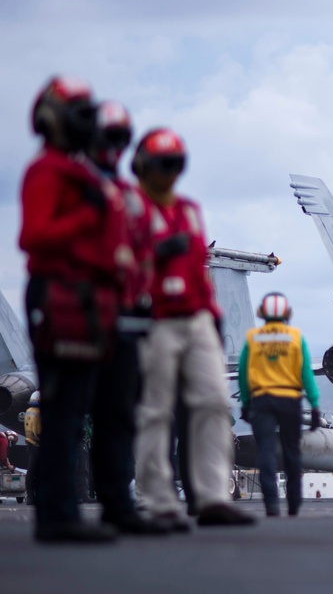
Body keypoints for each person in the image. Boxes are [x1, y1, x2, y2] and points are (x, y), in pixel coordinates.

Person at [20, 75, 133, 543]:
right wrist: (90, 213)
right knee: (65, 407)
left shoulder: (88, 176)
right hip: (61, 297)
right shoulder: (50, 172)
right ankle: (58, 516)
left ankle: (113, 506)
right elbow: (34, 237)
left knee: (105, 405)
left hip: (94, 302)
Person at [132, 128, 254, 529]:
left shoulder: (188, 209)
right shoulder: (129, 210)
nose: (168, 172)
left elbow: (199, 269)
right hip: (156, 318)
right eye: (161, 164)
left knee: (214, 406)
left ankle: (212, 497)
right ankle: (158, 500)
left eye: (175, 165)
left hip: (197, 318)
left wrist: (213, 318)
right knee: (156, 411)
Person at [84, 101, 168, 534]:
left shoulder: (129, 198)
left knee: (118, 415)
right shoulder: (68, 184)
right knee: (71, 416)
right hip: (80, 317)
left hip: (127, 321)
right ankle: (64, 511)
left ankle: (119, 503)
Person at [238, 292, 321, 517]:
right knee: (292, 450)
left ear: (262, 313)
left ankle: (271, 503)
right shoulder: (295, 337)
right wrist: (314, 405)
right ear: (287, 314)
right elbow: (306, 374)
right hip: (289, 400)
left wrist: (246, 403)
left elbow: (243, 373)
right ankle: (294, 503)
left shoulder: (253, 338)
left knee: (265, 449)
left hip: (262, 400)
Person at [24, 391, 40, 505]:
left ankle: (30, 497)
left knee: (31, 471)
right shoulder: (39, 412)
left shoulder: (28, 411)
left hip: (30, 443)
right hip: (38, 444)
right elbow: (38, 431)